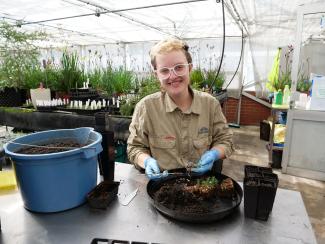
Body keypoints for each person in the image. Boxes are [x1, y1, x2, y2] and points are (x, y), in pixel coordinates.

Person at [127, 38, 234, 180]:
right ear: (156, 75)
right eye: (164, 70)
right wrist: (146, 161)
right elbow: (135, 147)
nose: (173, 76)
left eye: (179, 67)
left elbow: (225, 140)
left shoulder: (210, 104)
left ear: (189, 68)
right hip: (163, 186)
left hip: (201, 185)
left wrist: (214, 154)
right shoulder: (146, 107)